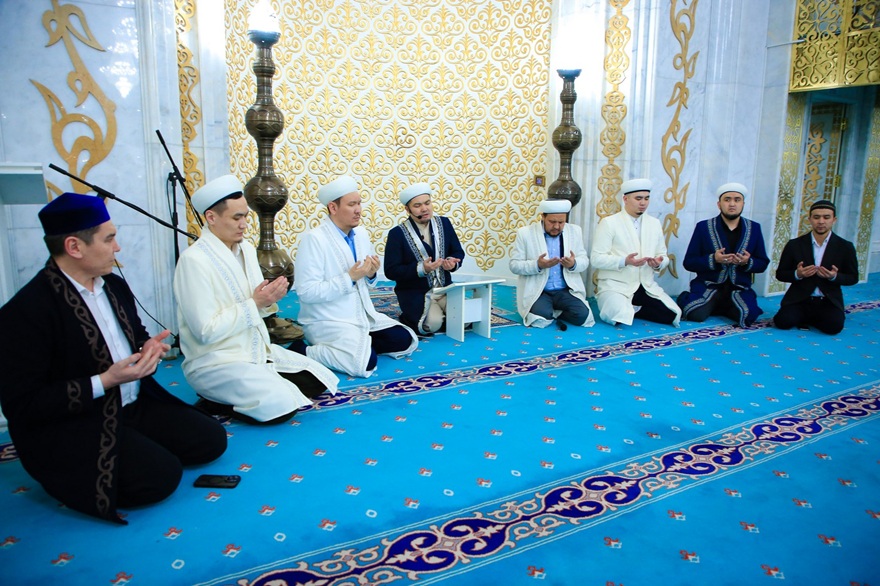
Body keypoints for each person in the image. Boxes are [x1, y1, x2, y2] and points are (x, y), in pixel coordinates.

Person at [0, 193, 227, 524]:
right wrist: (105, 381)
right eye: (109, 239)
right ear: (74, 247)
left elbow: (135, 335)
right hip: (78, 422)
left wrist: (148, 348)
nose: (117, 248)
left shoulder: (114, 286)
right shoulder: (26, 312)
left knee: (211, 440)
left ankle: (137, 443)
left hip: (133, 403)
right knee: (161, 477)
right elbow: (24, 405)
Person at [173, 175, 339, 425]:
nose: (244, 225)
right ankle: (214, 399)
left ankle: (258, 385)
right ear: (211, 217)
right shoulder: (194, 261)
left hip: (256, 351)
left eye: (245, 216)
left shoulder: (247, 250)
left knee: (318, 380)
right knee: (281, 407)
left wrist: (270, 299)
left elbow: (257, 304)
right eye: (236, 218)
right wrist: (257, 303)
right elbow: (205, 331)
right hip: (217, 361)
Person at [293, 175, 418, 377]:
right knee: (365, 364)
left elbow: (367, 280)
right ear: (333, 208)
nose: (358, 210)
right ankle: (304, 351)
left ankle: (358, 347)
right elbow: (307, 292)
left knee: (404, 339)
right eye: (352, 204)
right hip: (328, 320)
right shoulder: (314, 240)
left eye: (359, 203)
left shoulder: (361, 234)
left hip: (362, 315)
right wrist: (349, 277)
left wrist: (371, 274)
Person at [591, 178, 681, 326]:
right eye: (638, 198)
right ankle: (628, 308)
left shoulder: (654, 223)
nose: (643, 203)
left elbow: (663, 255)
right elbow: (596, 258)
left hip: (645, 286)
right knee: (617, 316)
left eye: (646, 198)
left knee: (673, 314)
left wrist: (658, 263)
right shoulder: (609, 223)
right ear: (625, 199)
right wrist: (624, 261)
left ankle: (635, 309)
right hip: (617, 286)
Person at [677, 182, 769, 327]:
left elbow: (763, 263)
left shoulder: (754, 228)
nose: (732, 204)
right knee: (693, 313)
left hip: (739, 289)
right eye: (727, 200)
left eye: (737, 200)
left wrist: (747, 262)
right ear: (719, 204)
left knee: (747, 316)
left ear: (743, 204)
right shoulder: (703, 227)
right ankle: (692, 299)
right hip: (709, 287)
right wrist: (713, 259)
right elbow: (689, 262)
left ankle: (722, 307)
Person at [384, 182, 465, 336]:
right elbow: (391, 271)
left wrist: (451, 262)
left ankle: (443, 313)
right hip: (416, 292)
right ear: (407, 209)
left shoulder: (444, 223)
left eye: (427, 203)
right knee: (431, 325)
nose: (424, 209)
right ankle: (413, 317)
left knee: (465, 319)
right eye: (417, 205)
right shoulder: (397, 234)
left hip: (445, 288)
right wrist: (421, 268)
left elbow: (457, 251)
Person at [773, 199, 859, 334]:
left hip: (828, 300)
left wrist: (834, 276)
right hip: (800, 299)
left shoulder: (845, 247)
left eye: (826, 217)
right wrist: (798, 274)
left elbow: (853, 277)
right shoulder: (794, 245)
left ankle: (812, 318)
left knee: (834, 327)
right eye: (816, 217)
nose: (821, 222)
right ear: (810, 219)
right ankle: (807, 317)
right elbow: (780, 274)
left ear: (834, 220)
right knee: (782, 322)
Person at [509, 198, 594, 329]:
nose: (556, 226)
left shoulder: (575, 231)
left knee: (582, 316)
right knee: (540, 319)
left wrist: (573, 264)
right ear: (543, 217)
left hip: (565, 291)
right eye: (552, 222)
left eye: (561, 222)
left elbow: (584, 261)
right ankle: (550, 311)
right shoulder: (525, 233)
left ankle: (555, 312)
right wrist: (538, 265)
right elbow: (514, 265)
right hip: (540, 291)